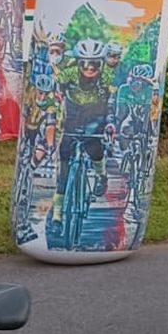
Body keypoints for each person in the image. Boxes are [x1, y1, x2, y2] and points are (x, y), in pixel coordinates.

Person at [51, 39, 116, 236]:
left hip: (96, 115)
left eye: (95, 63)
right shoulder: (69, 74)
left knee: (94, 147)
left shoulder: (107, 76)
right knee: (64, 163)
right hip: (73, 114)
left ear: (102, 64)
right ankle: (57, 216)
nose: (89, 68)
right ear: (78, 63)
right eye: (84, 63)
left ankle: (100, 175)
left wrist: (111, 122)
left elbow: (112, 101)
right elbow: (56, 92)